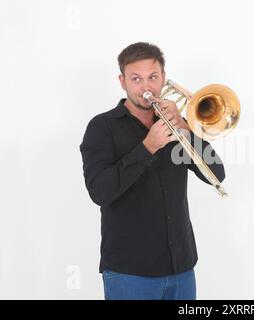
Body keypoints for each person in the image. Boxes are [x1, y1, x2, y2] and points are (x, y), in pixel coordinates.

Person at [79, 42, 225, 300]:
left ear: (164, 79)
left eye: (152, 77)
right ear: (122, 81)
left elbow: (216, 173)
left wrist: (186, 128)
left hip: (181, 267)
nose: (146, 87)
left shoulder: (177, 126)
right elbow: (100, 191)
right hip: (130, 272)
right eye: (136, 79)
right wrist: (147, 148)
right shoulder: (102, 128)